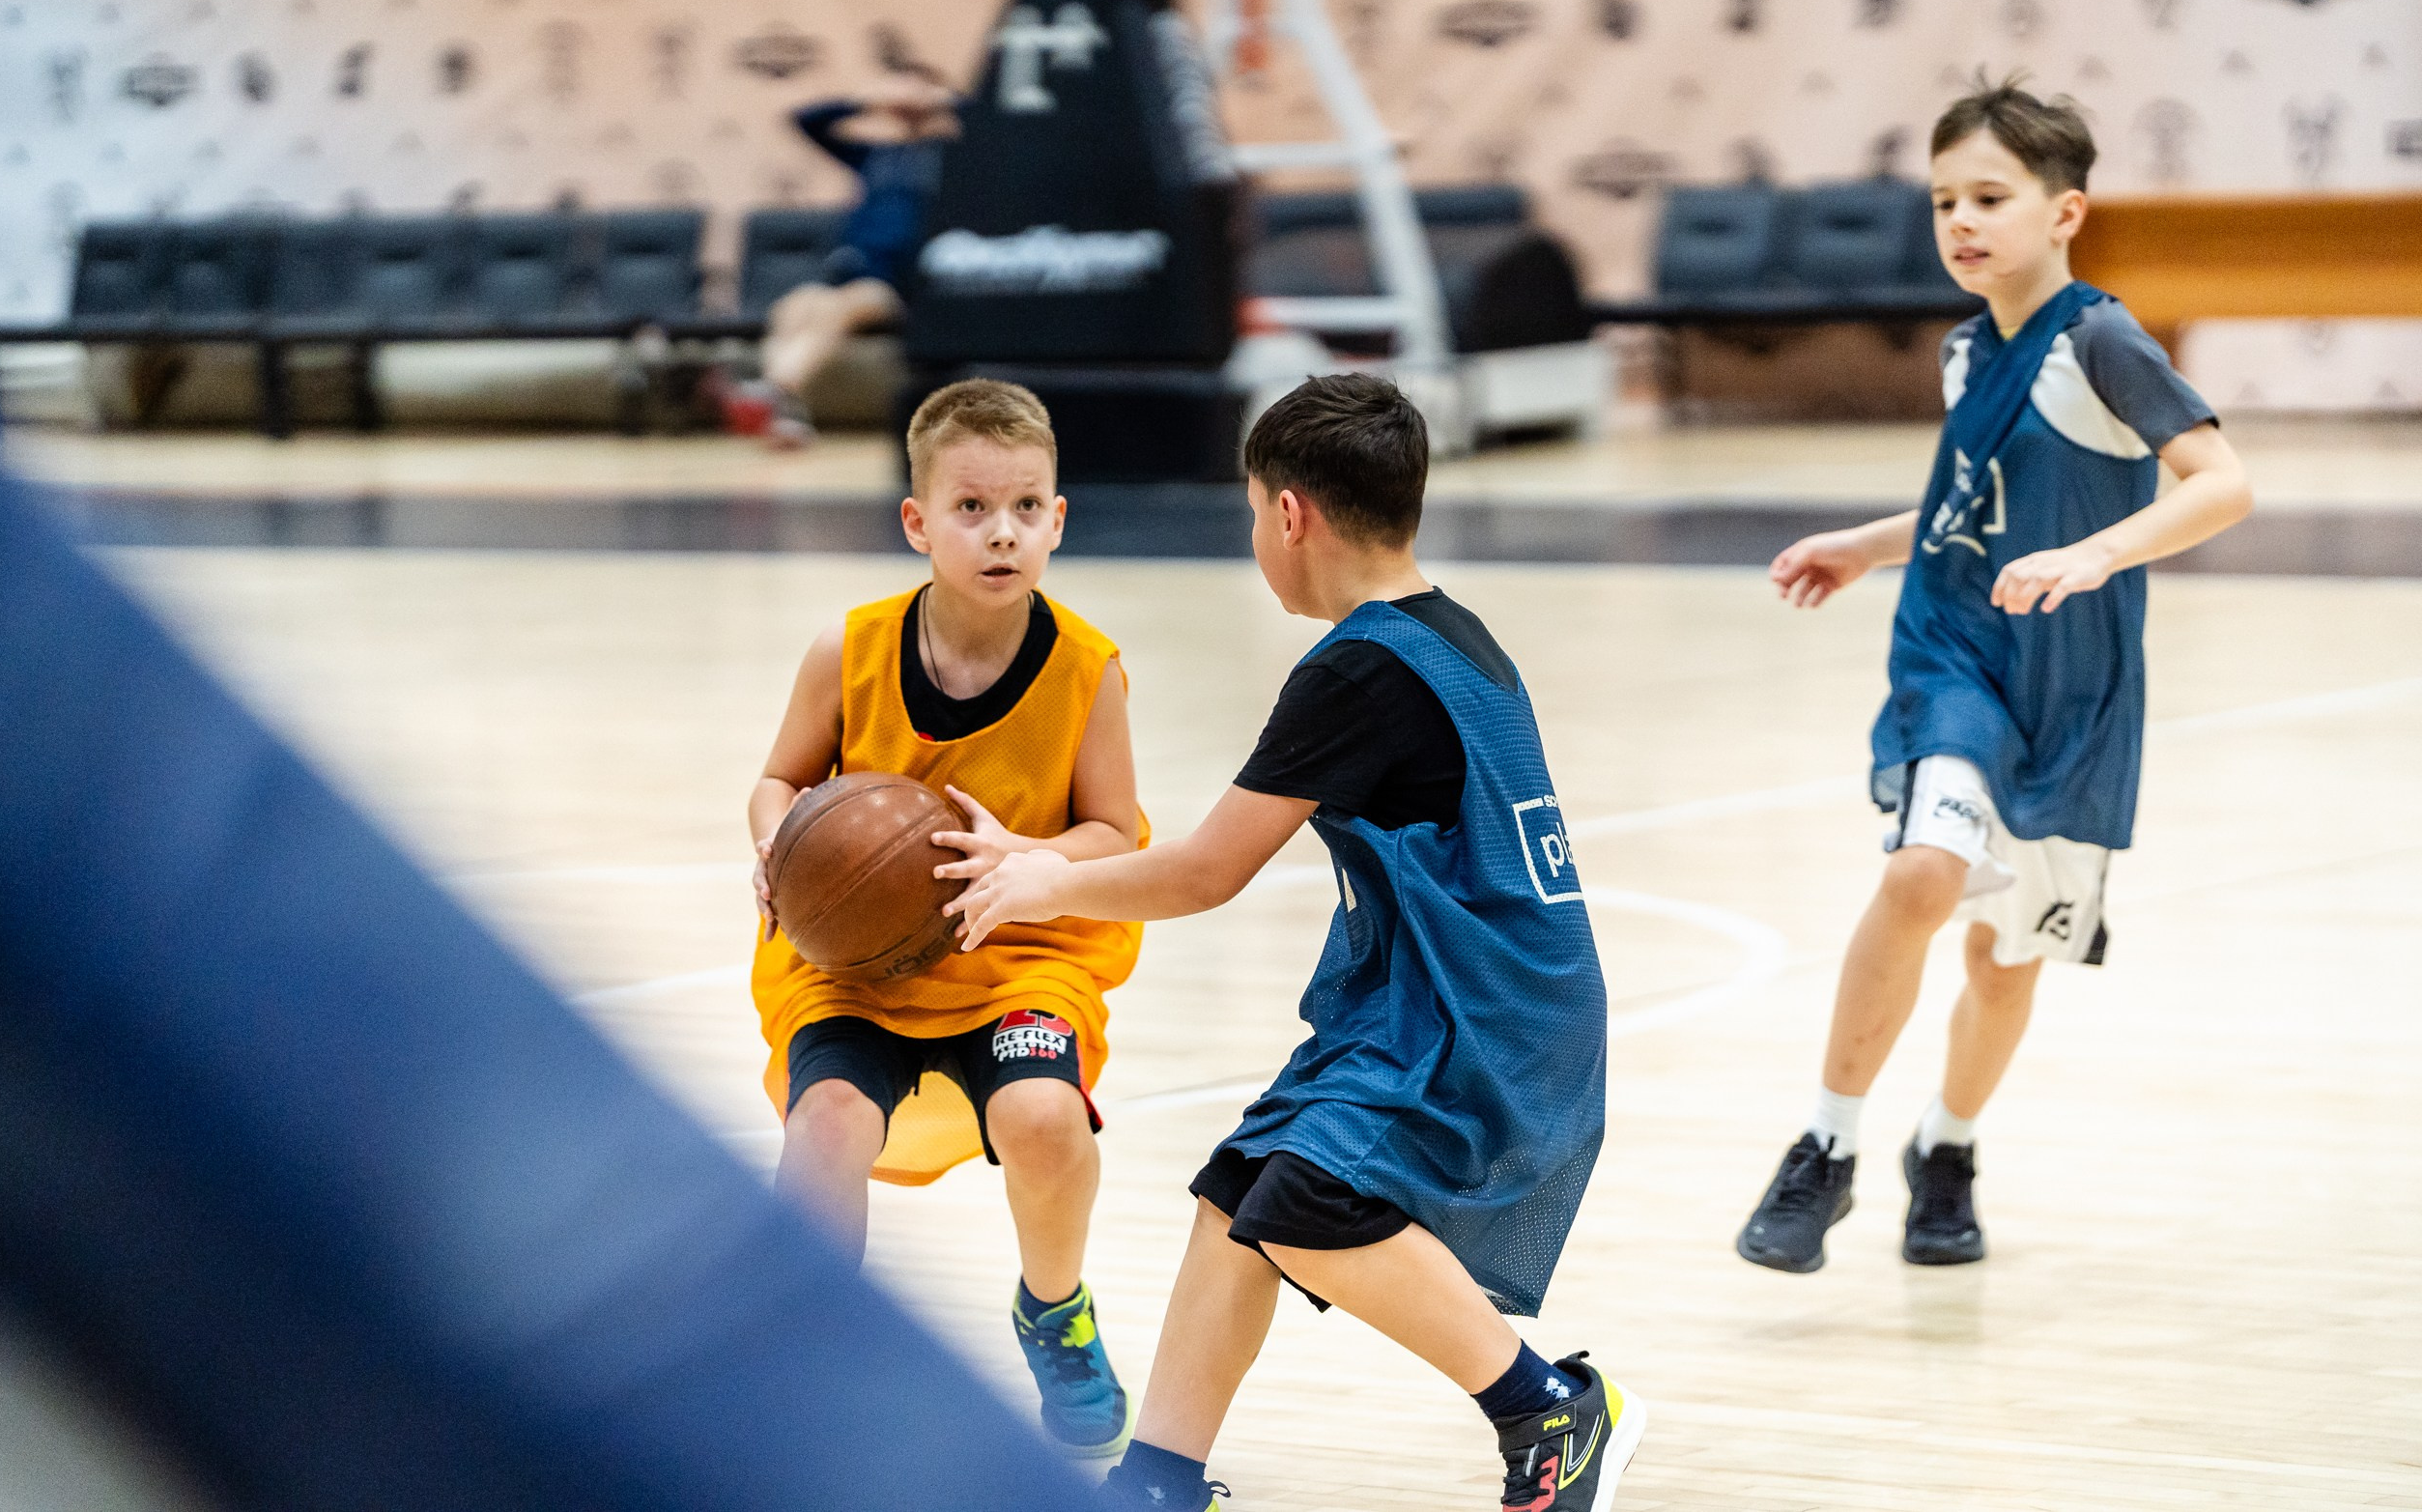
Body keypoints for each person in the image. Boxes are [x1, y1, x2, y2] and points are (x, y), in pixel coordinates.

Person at [949, 374, 1645, 1512]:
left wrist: (1045, 885)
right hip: (1470, 992)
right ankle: (1160, 1480)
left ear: (1289, 514)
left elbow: (1204, 871)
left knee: (1312, 1206)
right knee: (1240, 1193)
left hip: (1475, 1011)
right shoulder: (1450, 634)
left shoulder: (1358, 668)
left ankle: (1549, 1409)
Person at [1733, 78, 2254, 1274]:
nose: (1961, 221)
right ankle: (1825, 1147)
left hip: (2072, 685)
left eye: (1989, 197)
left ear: (2065, 212)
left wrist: (2094, 553)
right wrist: (1868, 548)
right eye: (1942, 201)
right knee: (1925, 871)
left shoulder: (2103, 340)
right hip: (1954, 651)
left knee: (2003, 959)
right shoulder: (1969, 348)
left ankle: (1949, 1149)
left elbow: (2223, 484)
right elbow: (1965, 506)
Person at [746, 378, 1147, 1459]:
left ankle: (1053, 1310)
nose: (1001, 532)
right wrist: (777, 847)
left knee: (1044, 1122)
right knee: (824, 1125)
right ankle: (813, 1347)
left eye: (1025, 507)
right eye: (971, 508)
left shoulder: (1086, 669)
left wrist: (1032, 855)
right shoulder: (851, 648)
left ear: (1057, 519)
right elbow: (778, 783)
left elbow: (1115, 837)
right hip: (857, 964)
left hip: (1021, 956)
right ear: (918, 522)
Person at [750, 73, 961, 445]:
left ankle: (776, 386)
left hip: (897, 284)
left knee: (842, 308)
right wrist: (870, 102)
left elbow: (993, 117)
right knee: (794, 306)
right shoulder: (875, 155)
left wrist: (939, 101)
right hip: (847, 272)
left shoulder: (952, 156)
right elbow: (807, 120)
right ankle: (785, 412)